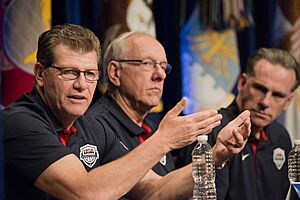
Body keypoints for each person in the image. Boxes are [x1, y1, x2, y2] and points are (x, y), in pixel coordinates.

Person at [3, 24, 250, 199]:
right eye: (69, 72)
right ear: (39, 74)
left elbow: (155, 191)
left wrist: (217, 155)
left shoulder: (87, 125)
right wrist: (163, 141)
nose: (81, 85)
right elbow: (84, 193)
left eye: (90, 74)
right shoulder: (19, 123)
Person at [85, 31, 252, 199]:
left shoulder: (153, 129)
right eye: (147, 63)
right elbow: (153, 193)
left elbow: (163, 188)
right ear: (115, 72)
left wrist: (215, 156)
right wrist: (165, 140)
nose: (161, 75)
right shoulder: (95, 126)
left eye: (164, 66)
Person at [175, 48, 300, 200]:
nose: (265, 102)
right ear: (242, 83)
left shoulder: (281, 137)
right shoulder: (209, 131)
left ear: (288, 102)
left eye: (277, 95)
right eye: (260, 89)